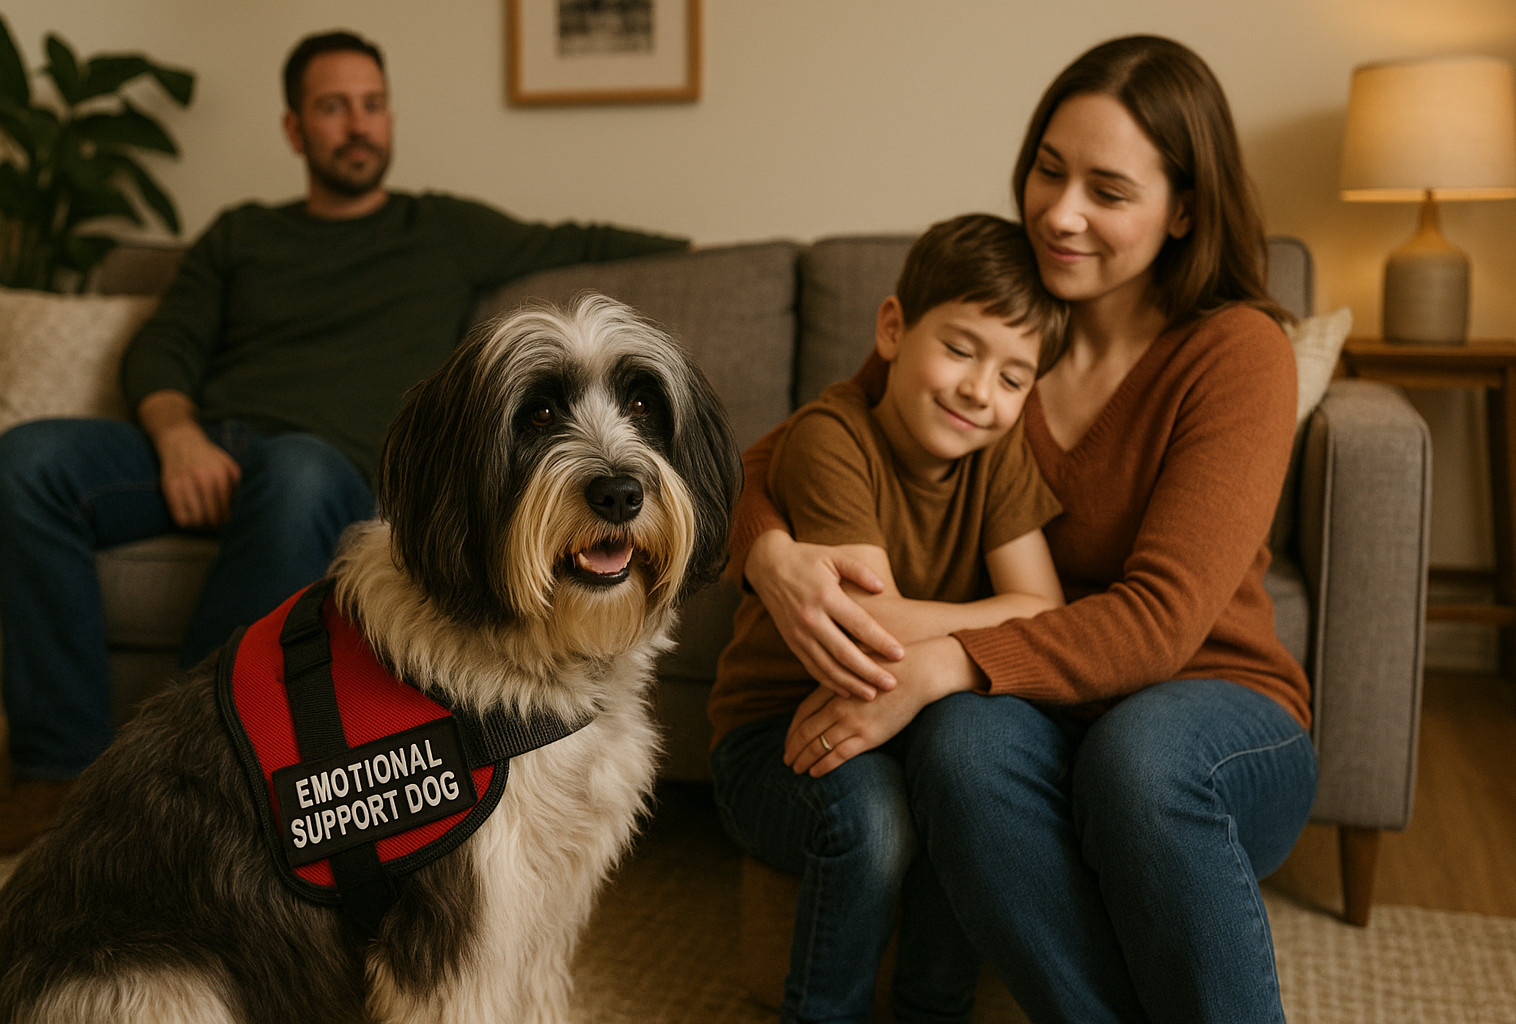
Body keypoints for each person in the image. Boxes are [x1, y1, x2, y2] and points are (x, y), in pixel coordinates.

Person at [728, 35, 1317, 1024]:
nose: (1060, 212)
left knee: (1137, 754)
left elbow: (1160, 623)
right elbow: (774, 456)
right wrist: (773, 558)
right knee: (957, 743)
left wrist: (947, 658)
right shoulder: (1009, 315)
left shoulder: (1236, 351)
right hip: (1047, 715)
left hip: (1214, 717)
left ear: (1184, 210)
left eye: (1108, 190)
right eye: (1049, 169)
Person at [0, 29, 686, 854]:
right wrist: (177, 434)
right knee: (24, 462)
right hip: (215, 445)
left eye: (371, 105)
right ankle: (57, 770)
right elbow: (165, 345)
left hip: (325, 465)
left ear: (389, 118)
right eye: (333, 108)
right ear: (295, 129)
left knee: (295, 470)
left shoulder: (444, 227)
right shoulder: (240, 234)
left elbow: (587, 241)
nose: (357, 125)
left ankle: (196, 767)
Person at [710, 213, 1069, 1024]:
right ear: (893, 328)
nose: (981, 390)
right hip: (776, 737)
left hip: (900, 721)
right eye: (961, 348)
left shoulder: (997, 453)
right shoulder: (830, 438)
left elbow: (1046, 610)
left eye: (1015, 377)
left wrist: (989, 623)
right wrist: (993, 617)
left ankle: (929, 1010)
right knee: (873, 819)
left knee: (964, 787)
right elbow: (870, 631)